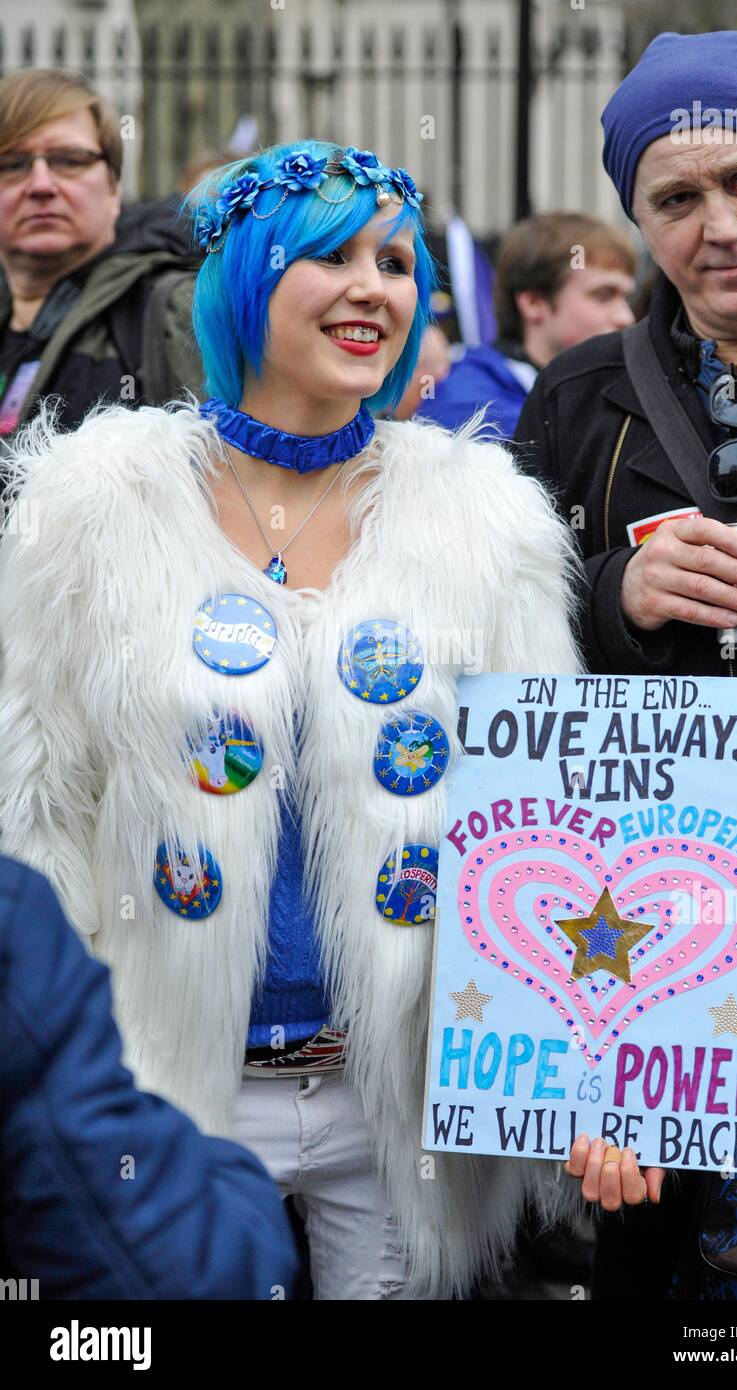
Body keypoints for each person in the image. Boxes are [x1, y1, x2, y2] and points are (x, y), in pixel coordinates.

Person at [0, 139, 662, 1301]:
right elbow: (33, 812)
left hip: (396, 1102)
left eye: (397, 262)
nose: (375, 288)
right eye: (331, 256)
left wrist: (588, 1075)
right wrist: (62, 1079)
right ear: (245, 279)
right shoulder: (90, 507)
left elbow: (551, 822)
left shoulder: (483, 517)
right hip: (163, 1090)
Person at [514, 30, 737, 1299]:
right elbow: (507, 646)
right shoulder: (582, 393)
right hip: (653, 939)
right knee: (671, 1268)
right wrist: (614, 592)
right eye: (675, 197)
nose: (719, 223)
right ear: (637, 219)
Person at [0, 853, 298, 1299]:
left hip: (357, 1096)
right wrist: (237, 1174)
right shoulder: (15, 917)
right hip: (198, 1094)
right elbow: (181, 1270)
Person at [0, 67, 202, 445]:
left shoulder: (177, 309)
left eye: (70, 160)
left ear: (114, 187)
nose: (41, 185)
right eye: (12, 164)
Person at [417, 212, 636, 437]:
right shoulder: (469, 407)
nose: (626, 317)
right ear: (534, 303)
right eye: (604, 294)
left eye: (626, 297)